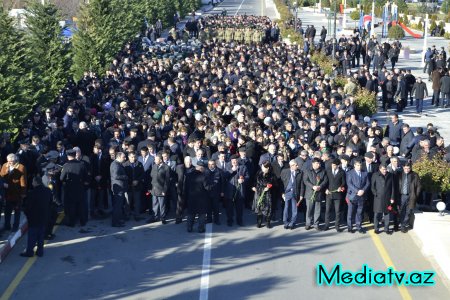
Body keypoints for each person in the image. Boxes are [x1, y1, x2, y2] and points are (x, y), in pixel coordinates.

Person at [20, 176, 51, 257]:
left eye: (33, 181)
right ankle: (40, 251)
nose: (32, 183)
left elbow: (27, 207)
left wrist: (27, 215)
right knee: (41, 236)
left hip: (33, 218)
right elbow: (50, 203)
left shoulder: (32, 193)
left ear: (36, 182)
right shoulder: (48, 191)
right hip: (44, 216)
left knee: (32, 236)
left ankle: (29, 252)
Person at [60, 149, 89, 227]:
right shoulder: (81, 164)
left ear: (68, 156)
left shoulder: (66, 165)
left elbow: (61, 178)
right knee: (81, 205)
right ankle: (83, 221)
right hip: (80, 188)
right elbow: (86, 177)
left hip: (70, 189)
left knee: (71, 206)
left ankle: (72, 222)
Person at [0, 153, 27, 231]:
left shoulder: (21, 167)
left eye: (11, 162)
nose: (9, 163)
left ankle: (15, 226)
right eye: (8, 161)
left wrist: (23, 193)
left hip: (16, 192)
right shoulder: (5, 165)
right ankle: (7, 225)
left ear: (15, 161)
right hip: (7, 193)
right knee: (7, 211)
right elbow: (1, 175)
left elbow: (23, 181)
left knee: (17, 210)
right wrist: (6, 170)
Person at [223, 154, 249, 227]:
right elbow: (224, 176)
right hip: (229, 190)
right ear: (231, 161)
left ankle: (239, 220)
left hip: (239, 190)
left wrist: (243, 180)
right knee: (229, 207)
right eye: (233, 161)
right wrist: (232, 170)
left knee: (239, 207)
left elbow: (247, 176)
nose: (234, 162)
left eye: (235, 160)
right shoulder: (227, 166)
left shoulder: (243, 167)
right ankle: (230, 220)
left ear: (238, 160)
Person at [346, 160, 370, 234]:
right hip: (352, 195)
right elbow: (349, 184)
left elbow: (367, 183)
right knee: (351, 212)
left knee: (359, 212)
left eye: (360, 165)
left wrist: (363, 190)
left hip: (362, 195)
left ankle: (359, 226)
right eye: (357, 165)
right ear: (354, 166)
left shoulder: (365, 173)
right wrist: (357, 191)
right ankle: (350, 227)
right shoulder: (350, 173)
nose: (359, 167)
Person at [303, 158, 328, 231]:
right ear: (313, 164)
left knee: (317, 209)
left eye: (319, 163)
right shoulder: (308, 171)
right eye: (317, 163)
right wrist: (312, 186)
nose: (318, 165)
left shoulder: (323, 171)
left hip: (319, 193)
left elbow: (325, 180)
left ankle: (316, 224)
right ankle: (308, 224)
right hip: (310, 193)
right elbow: (305, 180)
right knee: (309, 209)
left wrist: (320, 186)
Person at [184, 161, 209, 233]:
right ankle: (201, 229)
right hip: (201, 199)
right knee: (201, 214)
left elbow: (185, 187)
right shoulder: (203, 176)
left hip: (191, 198)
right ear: (201, 168)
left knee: (191, 213)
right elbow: (207, 187)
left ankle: (189, 228)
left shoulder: (188, 175)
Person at [371, 164, 395, 235]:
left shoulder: (390, 175)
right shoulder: (375, 175)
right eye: (383, 169)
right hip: (378, 198)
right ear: (380, 169)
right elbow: (372, 187)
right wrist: (376, 194)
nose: (385, 171)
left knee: (387, 214)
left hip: (387, 198)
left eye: (385, 169)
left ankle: (386, 228)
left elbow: (392, 187)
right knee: (377, 214)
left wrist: (392, 197)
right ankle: (376, 228)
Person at [397, 164, 421, 233]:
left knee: (408, 211)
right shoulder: (400, 174)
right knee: (401, 211)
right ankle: (401, 223)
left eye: (408, 168)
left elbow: (419, 186)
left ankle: (403, 225)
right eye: (405, 168)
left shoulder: (415, 175)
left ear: (410, 168)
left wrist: (416, 195)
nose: (407, 170)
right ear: (403, 168)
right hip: (402, 196)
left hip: (411, 196)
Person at [251, 161, 275, 228]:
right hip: (259, 191)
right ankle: (259, 222)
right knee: (259, 207)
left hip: (267, 193)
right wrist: (253, 187)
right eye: (262, 166)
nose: (262, 168)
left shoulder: (271, 175)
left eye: (263, 167)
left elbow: (273, 183)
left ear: (268, 168)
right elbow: (254, 181)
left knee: (268, 207)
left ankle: (267, 222)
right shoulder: (258, 173)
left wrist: (269, 187)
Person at [148, 154, 170, 224]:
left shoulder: (166, 167)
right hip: (154, 188)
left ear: (160, 160)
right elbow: (151, 175)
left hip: (161, 189)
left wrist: (164, 190)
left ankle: (162, 217)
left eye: (156, 159)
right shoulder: (154, 166)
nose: (154, 161)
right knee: (154, 203)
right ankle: (155, 216)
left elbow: (167, 180)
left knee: (162, 204)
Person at [324, 159, 346, 232]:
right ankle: (327, 225)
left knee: (337, 211)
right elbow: (325, 181)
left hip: (338, 194)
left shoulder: (342, 172)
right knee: (327, 210)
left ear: (338, 165)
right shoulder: (328, 171)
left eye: (334, 165)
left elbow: (343, 182)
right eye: (332, 165)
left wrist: (341, 187)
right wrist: (326, 189)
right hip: (329, 194)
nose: (333, 166)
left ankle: (337, 226)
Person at [124, 152, 145, 221]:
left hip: (137, 186)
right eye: (132, 157)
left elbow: (142, 174)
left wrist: (137, 181)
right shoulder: (125, 164)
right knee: (128, 202)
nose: (133, 158)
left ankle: (137, 215)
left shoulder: (139, 164)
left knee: (137, 201)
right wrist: (131, 181)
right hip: (128, 186)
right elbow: (124, 175)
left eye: (134, 157)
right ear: (129, 157)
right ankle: (127, 215)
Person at [109, 152, 128, 227]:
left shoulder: (117, 164)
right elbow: (116, 176)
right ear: (119, 157)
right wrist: (125, 177)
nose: (125, 158)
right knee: (117, 206)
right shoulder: (115, 165)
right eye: (124, 157)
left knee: (119, 206)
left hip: (120, 188)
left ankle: (118, 220)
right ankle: (115, 222)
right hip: (118, 188)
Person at [205, 159, 222, 225]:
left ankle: (216, 220)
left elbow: (222, 182)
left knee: (216, 207)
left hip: (216, 192)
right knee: (208, 207)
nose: (210, 166)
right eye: (209, 164)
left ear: (215, 164)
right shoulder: (205, 171)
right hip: (208, 192)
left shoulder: (219, 171)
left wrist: (222, 191)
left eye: (212, 164)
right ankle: (209, 219)